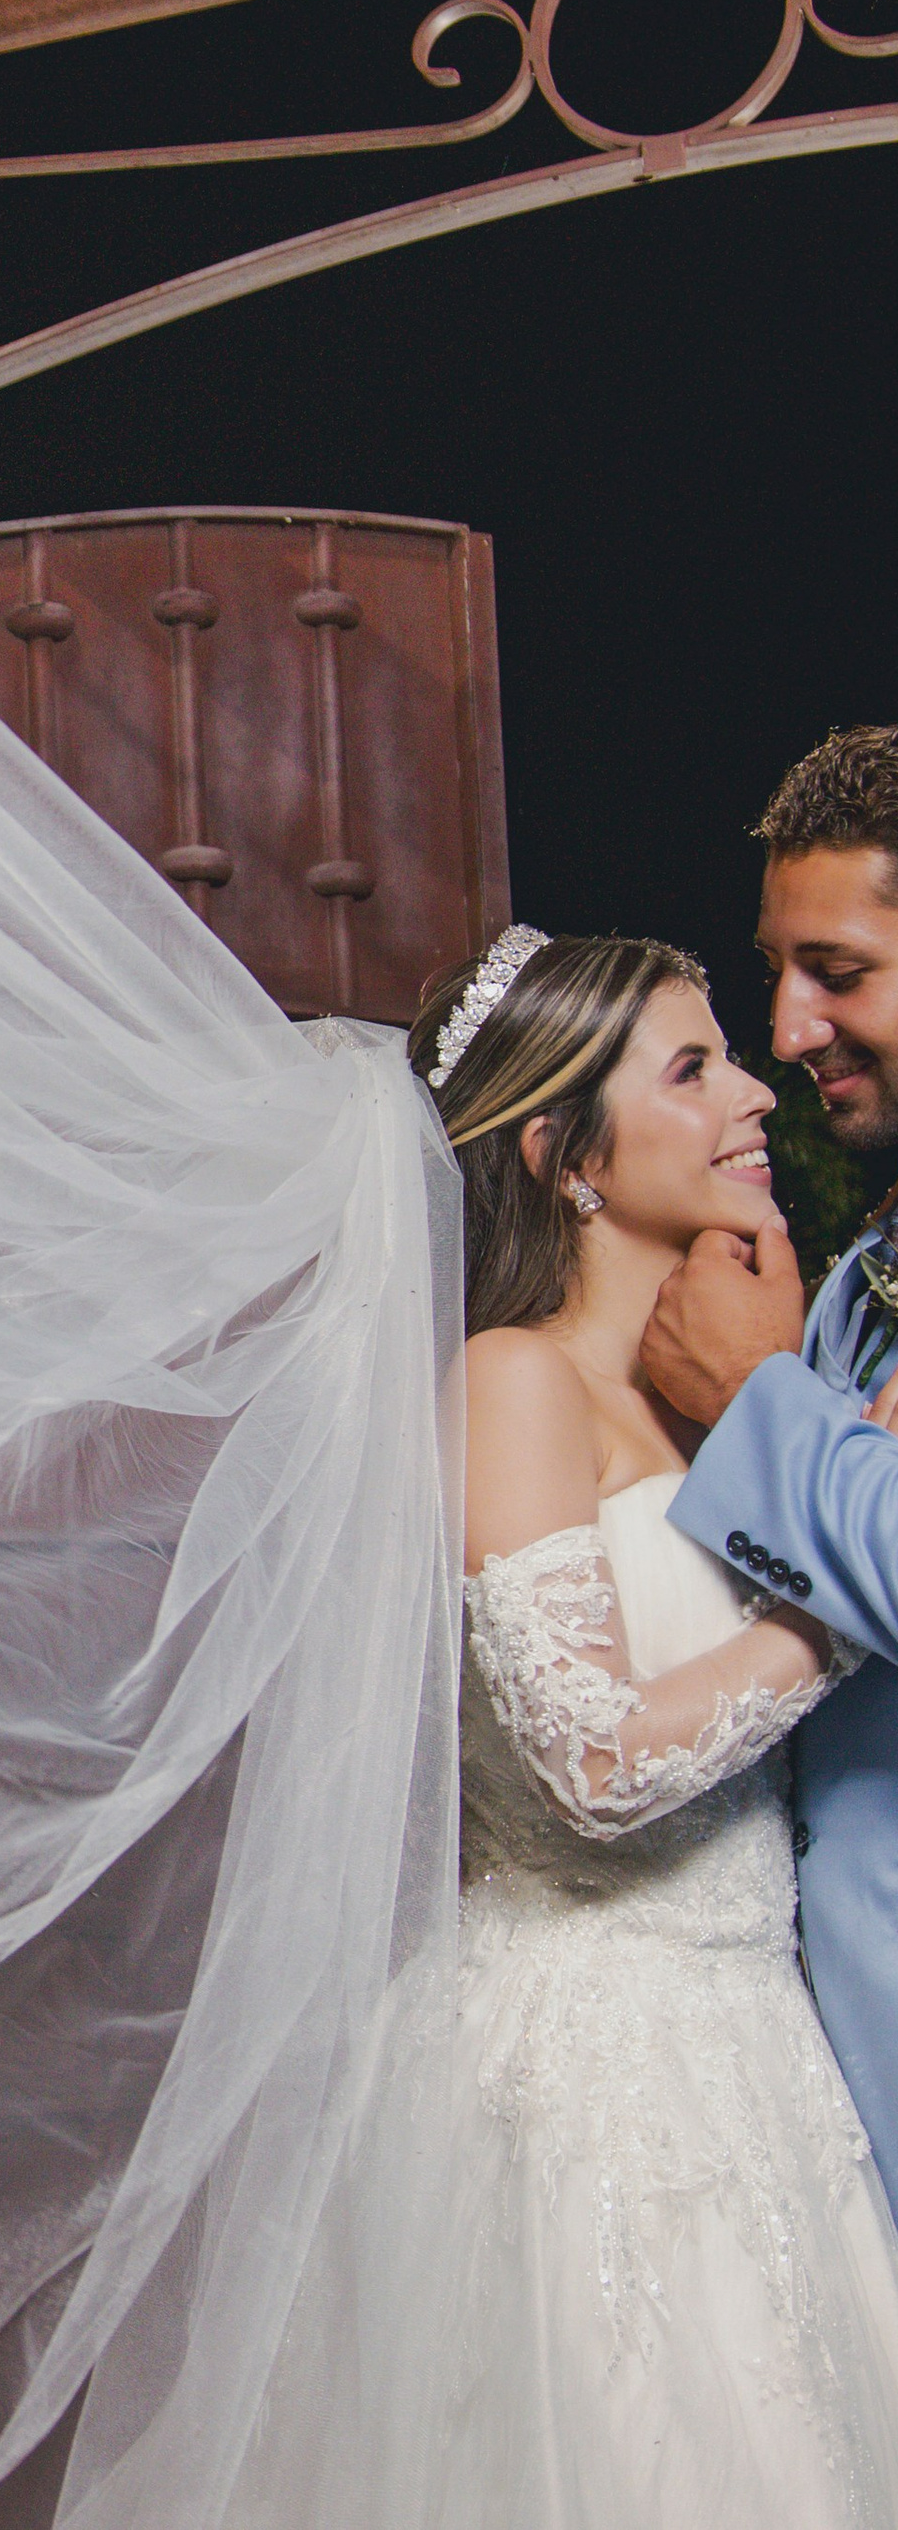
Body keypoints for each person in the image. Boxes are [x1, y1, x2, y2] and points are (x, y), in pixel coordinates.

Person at [228, 924, 898, 2526]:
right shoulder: (513, 1381)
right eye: (692, 1067)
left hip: (769, 2062)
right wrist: (835, 1612)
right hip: (602, 2076)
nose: (753, 1093)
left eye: (732, 1051)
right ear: (563, 1158)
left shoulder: (736, 1385)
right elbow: (596, 1766)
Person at [646, 729, 898, 2194]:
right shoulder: (860, 1271)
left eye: (841, 972)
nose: (790, 1030)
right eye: (779, 972)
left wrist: (753, 1396)